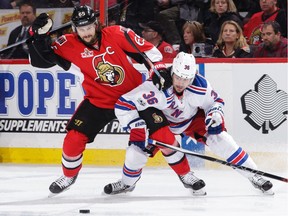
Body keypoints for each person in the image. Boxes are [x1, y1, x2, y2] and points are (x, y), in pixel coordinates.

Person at [26, 5, 171, 196]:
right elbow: (38, 61)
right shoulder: (66, 43)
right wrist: (37, 36)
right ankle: (69, 176)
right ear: (75, 29)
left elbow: (149, 51)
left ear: (96, 24)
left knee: (161, 135)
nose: (86, 32)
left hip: (133, 97)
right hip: (98, 101)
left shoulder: (117, 33)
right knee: (73, 139)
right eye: (81, 28)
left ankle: (175, 176)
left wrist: (158, 68)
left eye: (88, 27)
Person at [104, 52, 274, 195]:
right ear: (172, 71)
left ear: (193, 76)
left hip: (190, 121)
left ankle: (254, 175)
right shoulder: (156, 85)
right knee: (135, 152)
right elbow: (123, 104)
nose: (181, 83)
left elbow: (215, 102)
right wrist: (136, 125)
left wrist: (215, 115)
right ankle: (127, 183)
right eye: (178, 77)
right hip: (160, 122)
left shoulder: (201, 86)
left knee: (221, 138)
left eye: (186, 79)